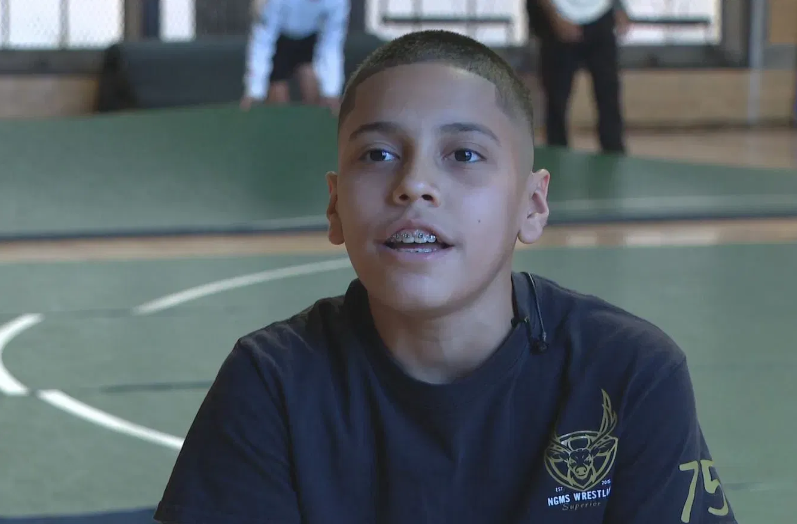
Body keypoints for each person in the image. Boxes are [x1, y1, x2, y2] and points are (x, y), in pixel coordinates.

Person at [154, 30, 737, 524]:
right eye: (379, 154)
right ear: (334, 206)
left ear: (531, 206)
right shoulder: (272, 385)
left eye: (462, 154)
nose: (414, 184)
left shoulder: (628, 373)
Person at [527, 0, 630, 153]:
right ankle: (557, 153)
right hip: (556, 22)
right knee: (556, 98)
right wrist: (555, 17)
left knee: (608, 91)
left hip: (599, 19)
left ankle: (614, 151)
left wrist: (618, 8)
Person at [241, 0, 350, 114]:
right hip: (279, 44)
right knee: (279, 107)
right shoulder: (276, 2)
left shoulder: (338, 2)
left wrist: (331, 92)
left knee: (314, 97)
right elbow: (262, 42)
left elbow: (332, 44)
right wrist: (255, 91)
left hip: (308, 43)